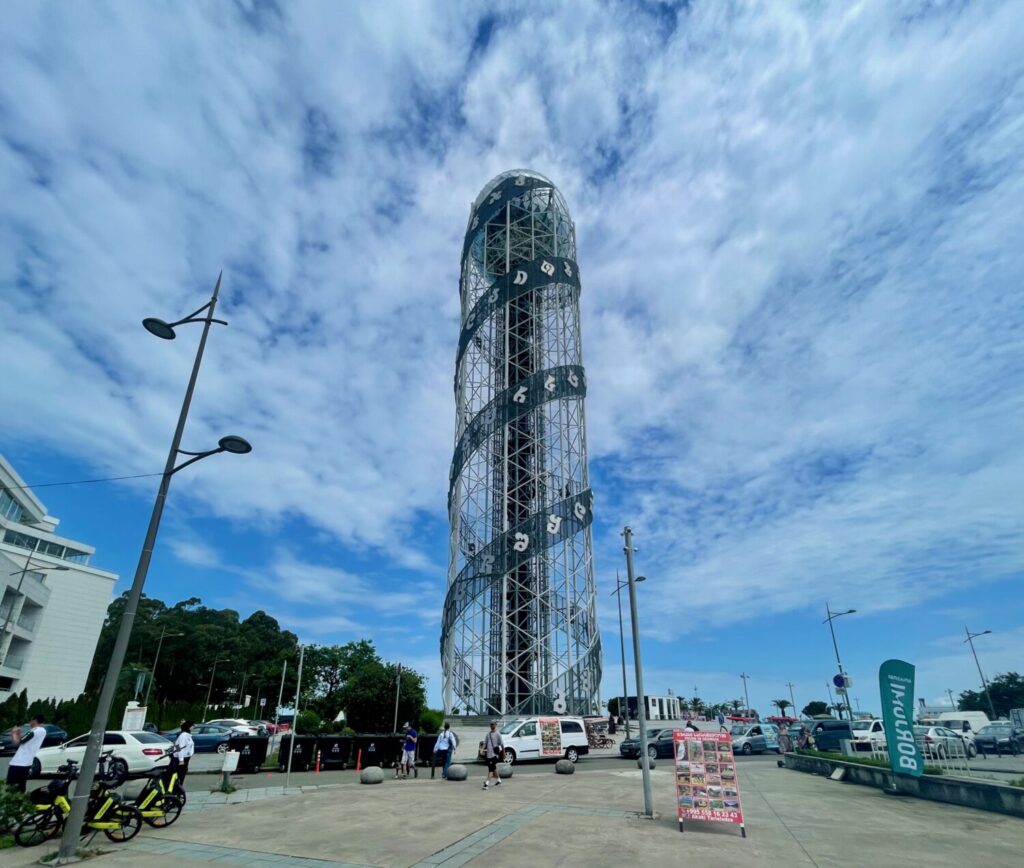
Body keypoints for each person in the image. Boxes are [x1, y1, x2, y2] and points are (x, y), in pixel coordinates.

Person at [6, 714, 47, 792]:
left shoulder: (34, 730)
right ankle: (21, 802)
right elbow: (26, 741)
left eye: (31, 720)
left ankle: (13, 802)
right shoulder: (43, 731)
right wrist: (18, 734)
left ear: (34, 720)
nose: (29, 722)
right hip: (27, 762)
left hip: (18, 762)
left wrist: (13, 733)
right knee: (21, 786)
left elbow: (17, 742)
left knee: (12, 787)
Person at [170, 720, 195, 788]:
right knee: (180, 775)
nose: (193, 727)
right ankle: (177, 789)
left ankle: (178, 788)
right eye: (192, 725)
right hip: (181, 759)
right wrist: (181, 760)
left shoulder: (187, 735)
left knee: (182, 775)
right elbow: (179, 748)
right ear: (188, 727)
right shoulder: (183, 736)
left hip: (186, 758)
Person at [482, 720, 503, 789]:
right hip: (488, 754)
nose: (491, 726)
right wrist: (482, 750)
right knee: (493, 769)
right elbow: (485, 743)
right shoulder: (488, 734)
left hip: (494, 755)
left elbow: (502, 744)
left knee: (491, 770)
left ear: (495, 725)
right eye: (491, 724)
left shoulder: (498, 734)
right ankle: (499, 780)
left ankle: (486, 784)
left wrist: (504, 753)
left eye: (493, 724)